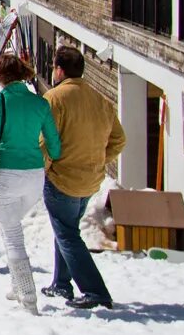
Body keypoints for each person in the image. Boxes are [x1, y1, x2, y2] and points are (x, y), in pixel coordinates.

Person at [42, 46, 126, 309]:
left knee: (67, 233)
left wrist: (42, 171)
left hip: (62, 178)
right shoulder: (101, 100)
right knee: (66, 228)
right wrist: (99, 160)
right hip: (90, 179)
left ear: (59, 69)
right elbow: (119, 140)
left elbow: (46, 142)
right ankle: (61, 284)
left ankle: (95, 291)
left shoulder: (54, 98)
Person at [0, 55, 61, 315]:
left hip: (6, 173)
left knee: (13, 234)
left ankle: (28, 296)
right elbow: (54, 144)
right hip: (34, 175)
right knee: (11, 228)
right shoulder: (39, 102)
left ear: (1, 77)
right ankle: (17, 286)